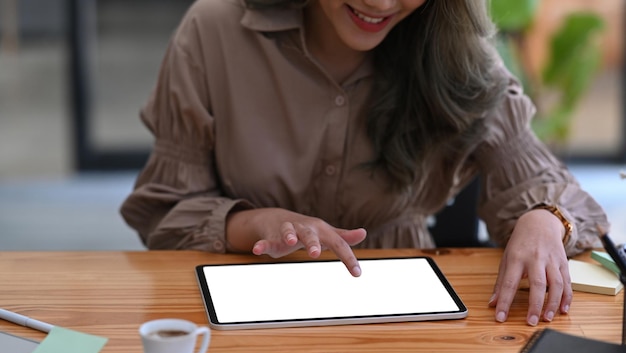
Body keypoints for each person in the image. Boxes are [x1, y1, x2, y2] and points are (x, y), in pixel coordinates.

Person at [120, 0, 609, 326]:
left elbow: (557, 194)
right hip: (237, 305)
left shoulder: (460, 55)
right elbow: (165, 214)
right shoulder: (212, 31)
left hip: (401, 318)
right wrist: (257, 223)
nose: (379, 1)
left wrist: (546, 221)